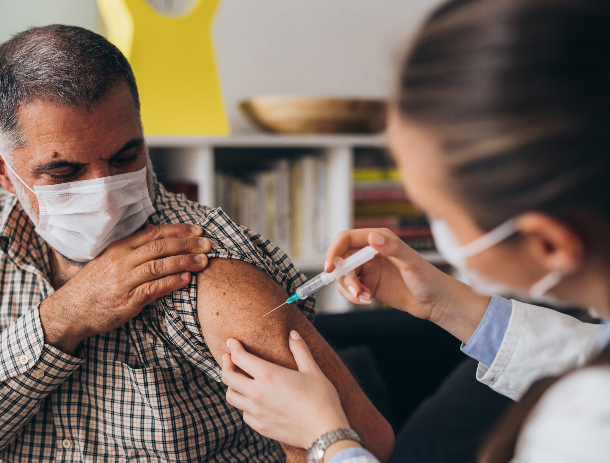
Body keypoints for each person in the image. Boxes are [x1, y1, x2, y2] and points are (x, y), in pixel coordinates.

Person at [0, 25, 394, 462]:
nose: (106, 197)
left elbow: (360, 440)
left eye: (125, 155)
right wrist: (62, 318)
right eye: (65, 172)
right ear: (0, 168)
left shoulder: (207, 263)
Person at [221, 0, 610, 462]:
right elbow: (583, 351)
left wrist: (325, 438)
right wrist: (446, 302)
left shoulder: (585, 424)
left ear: (548, 242)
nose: (432, 229)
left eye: (438, 212)